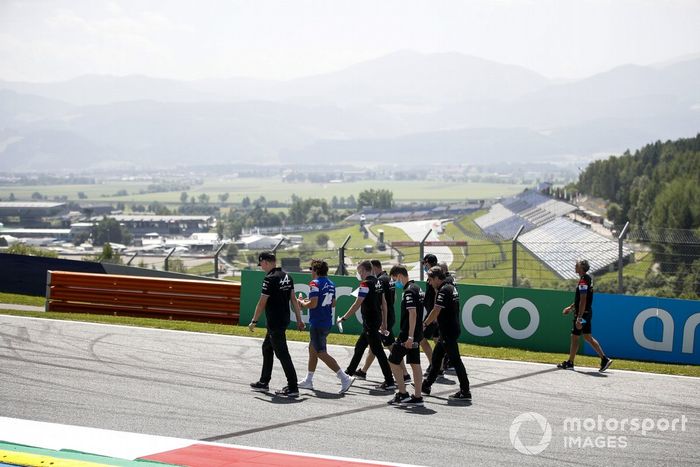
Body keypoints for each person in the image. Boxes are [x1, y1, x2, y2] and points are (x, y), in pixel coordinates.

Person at [248, 251, 305, 397]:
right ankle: (263, 382)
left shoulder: (270, 278)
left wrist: (254, 321)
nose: (261, 267)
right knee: (267, 348)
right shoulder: (287, 276)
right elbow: (293, 300)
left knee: (282, 353)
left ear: (266, 262)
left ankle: (293, 386)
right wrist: (299, 319)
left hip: (275, 322)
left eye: (261, 264)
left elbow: (262, 302)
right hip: (283, 319)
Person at [296, 259, 355, 394]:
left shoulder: (314, 283)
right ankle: (308, 380)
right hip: (327, 321)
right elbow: (333, 303)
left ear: (316, 270)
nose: (310, 271)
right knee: (312, 350)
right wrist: (307, 301)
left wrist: (302, 303)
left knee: (320, 352)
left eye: (311, 269)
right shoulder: (331, 283)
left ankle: (344, 377)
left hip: (318, 322)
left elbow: (314, 304)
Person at [338, 260, 396, 391]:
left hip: (370, 322)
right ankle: (349, 373)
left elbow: (357, 304)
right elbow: (384, 304)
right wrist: (384, 323)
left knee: (378, 351)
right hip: (376, 321)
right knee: (359, 347)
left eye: (359, 272)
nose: (359, 274)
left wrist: (344, 318)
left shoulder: (365, 284)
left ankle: (389, 380)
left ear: (364, 271)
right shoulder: (378, 282)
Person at [354, 260, 410, 383]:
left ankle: (405, 374)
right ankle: (363, 371)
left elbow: (381, 302)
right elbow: (392, 298)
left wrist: (383, 320)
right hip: (388, 316)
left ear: (374, 268)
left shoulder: (380, 281)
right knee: (374, 346)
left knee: (389, 346)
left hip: (382, 318)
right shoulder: (388, 279)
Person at [422, 266, 472, 401]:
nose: (430, 283)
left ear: (437, 278)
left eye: (431, 280)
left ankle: (465, 390)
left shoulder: (444, 290)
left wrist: (425, 324)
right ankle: (426, 386)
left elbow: (436, 310)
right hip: (449, 329)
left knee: (456, 361)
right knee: (437, 358)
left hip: (449, 330)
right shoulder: (450, 287)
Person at [557, 259, 613, 372]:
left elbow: (583, 300)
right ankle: (604, 359)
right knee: (587, 337)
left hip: (582, 314)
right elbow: (581, 299)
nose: (575, 266)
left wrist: (579, 317)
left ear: (581, 268)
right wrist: (571, 307)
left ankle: (570, 362)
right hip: (586, 312)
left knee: (575, 336)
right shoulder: (587, 279)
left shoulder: (583, 281)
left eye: (576, 265)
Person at [387, 265, 425, 406]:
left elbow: (413, 313)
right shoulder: (417, 288)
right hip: (417, 332)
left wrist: (409, 337)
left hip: (408, 333)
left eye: (394, 279)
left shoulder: (408, 291)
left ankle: (402, 393)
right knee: (415, 363)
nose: (394, 282)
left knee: (392, 361)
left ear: (399, 276)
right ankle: (418, 396)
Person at [420, 254, 440, 376]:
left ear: (428, 263)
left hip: (433, 314)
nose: (424, 266)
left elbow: (437, 294)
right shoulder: (434, 275)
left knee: (421, 337)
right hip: (433, 312)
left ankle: (434, 365)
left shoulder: (434, 276)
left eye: (425, 264)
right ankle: (442, 363)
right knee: (437, 338)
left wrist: (434, 315)